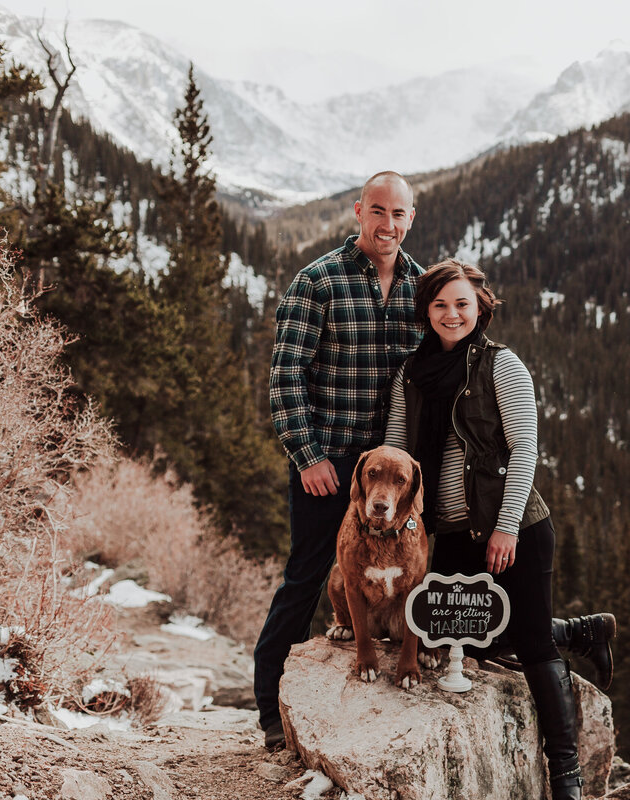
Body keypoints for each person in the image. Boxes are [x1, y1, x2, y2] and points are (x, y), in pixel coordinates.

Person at [385, 259, 616, 800]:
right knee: (460, 632)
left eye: (462, 303)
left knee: (533, 647)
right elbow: (397, 451)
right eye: (440, 304)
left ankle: (566, 776)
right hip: (449, 534)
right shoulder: (410, 374)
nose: (451, 314)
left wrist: (505, 527)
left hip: (514, 529)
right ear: (426, 311)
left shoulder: (501, 366)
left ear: (480, 307)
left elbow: (525, 450)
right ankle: (580, 632)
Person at [254, 171, 424, 751]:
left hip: (391, 476)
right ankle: (272, 715)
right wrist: (307, 456)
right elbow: (285, 378)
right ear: (358, 212)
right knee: (306, 578)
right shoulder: (317, 281)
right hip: (329, 467)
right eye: (378, 211)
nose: (388, 224)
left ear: (411, 218)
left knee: (411, 580)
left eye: (399, 214)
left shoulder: (418, 287)